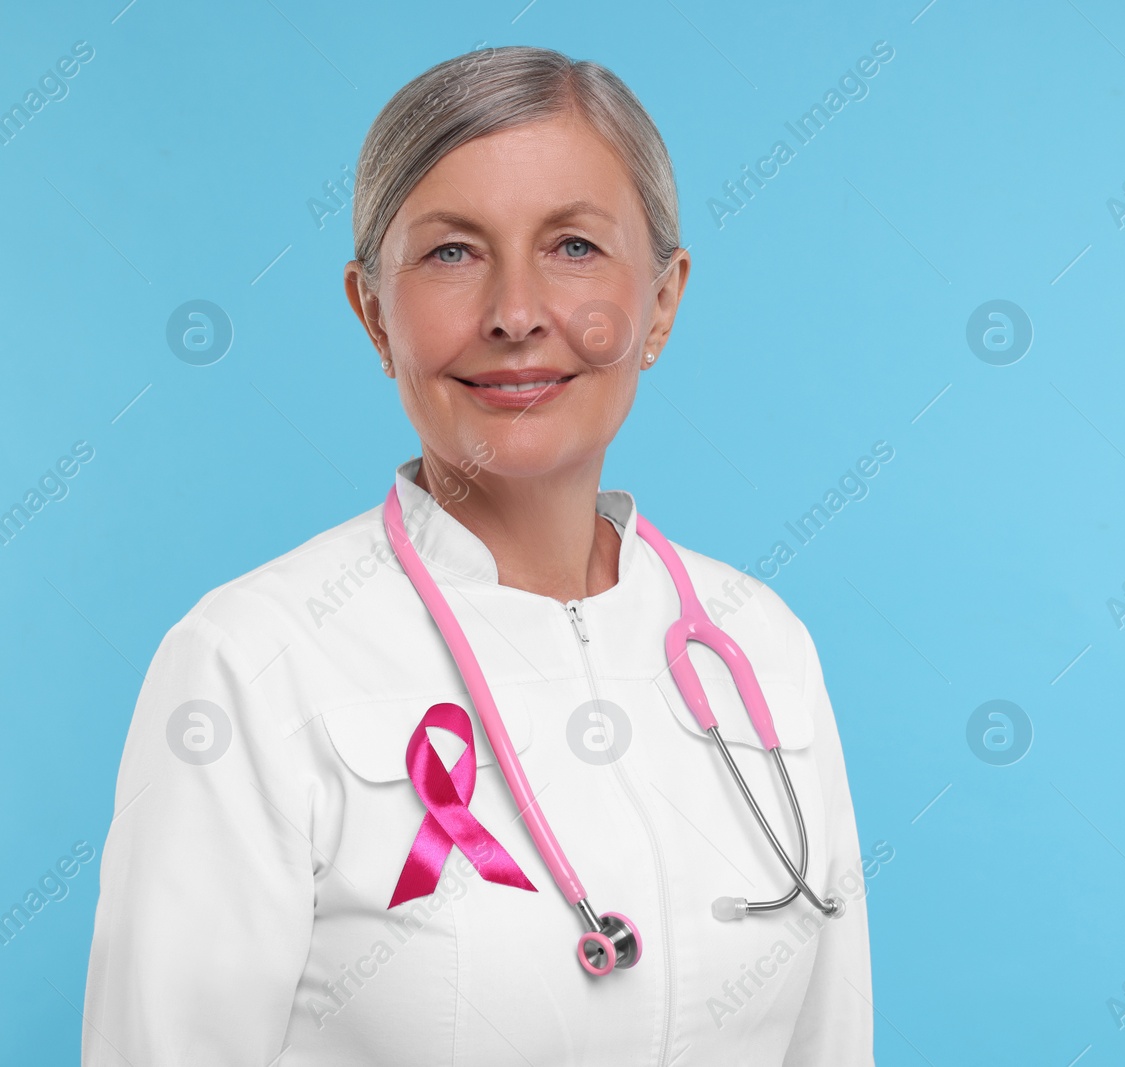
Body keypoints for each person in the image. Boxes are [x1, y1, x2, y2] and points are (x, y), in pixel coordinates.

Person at [82, 45, 873, 1066]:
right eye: (452, 252)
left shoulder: (761, 645)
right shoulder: (249, 661)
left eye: (575, 246)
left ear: (662, 303)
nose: (515, 311)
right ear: (373, 310)